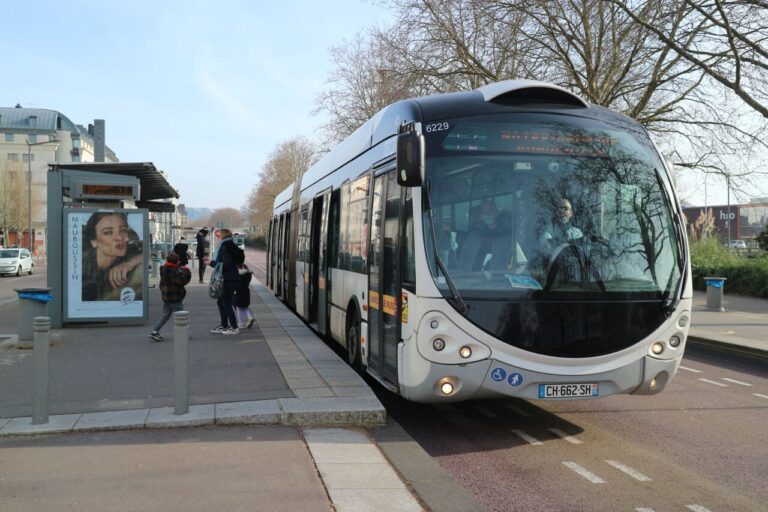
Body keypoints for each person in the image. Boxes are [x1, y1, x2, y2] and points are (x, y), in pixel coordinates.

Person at [82, 212, 143, 302]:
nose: (119, 237)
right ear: (94, 241)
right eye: (108, 232)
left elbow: (145, 254)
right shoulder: (83, 264)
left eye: (122, 230)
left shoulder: (130, 251)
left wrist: (130, 264)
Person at [149, 252, 191, 342]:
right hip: (175, 297)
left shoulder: (164, 269)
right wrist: (187, 271)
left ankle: (154, 331)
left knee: (165, 315)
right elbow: (182, 281)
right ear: (177, 262)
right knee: (181, 317)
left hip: (166, 297)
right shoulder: (176, 271)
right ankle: (183, 334)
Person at [209, 228, 245, 335]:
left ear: (223, 235)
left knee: (226, 303)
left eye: (218, 235)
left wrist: (211, 263)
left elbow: (226, 264)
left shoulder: (225, 247)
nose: (216, 237)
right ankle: (224, 325)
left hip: (227, 279)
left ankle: (234, 327)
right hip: (230, 278)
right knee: (221, 302)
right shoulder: (230, 245)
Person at [234, 263, 255, 329]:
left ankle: (241, 323)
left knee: (238, 308)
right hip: (246, 292)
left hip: (239, 293)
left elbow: (236, 284)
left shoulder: (238, 275)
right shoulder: (248, 275)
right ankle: (250, 317)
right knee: (245, 307)